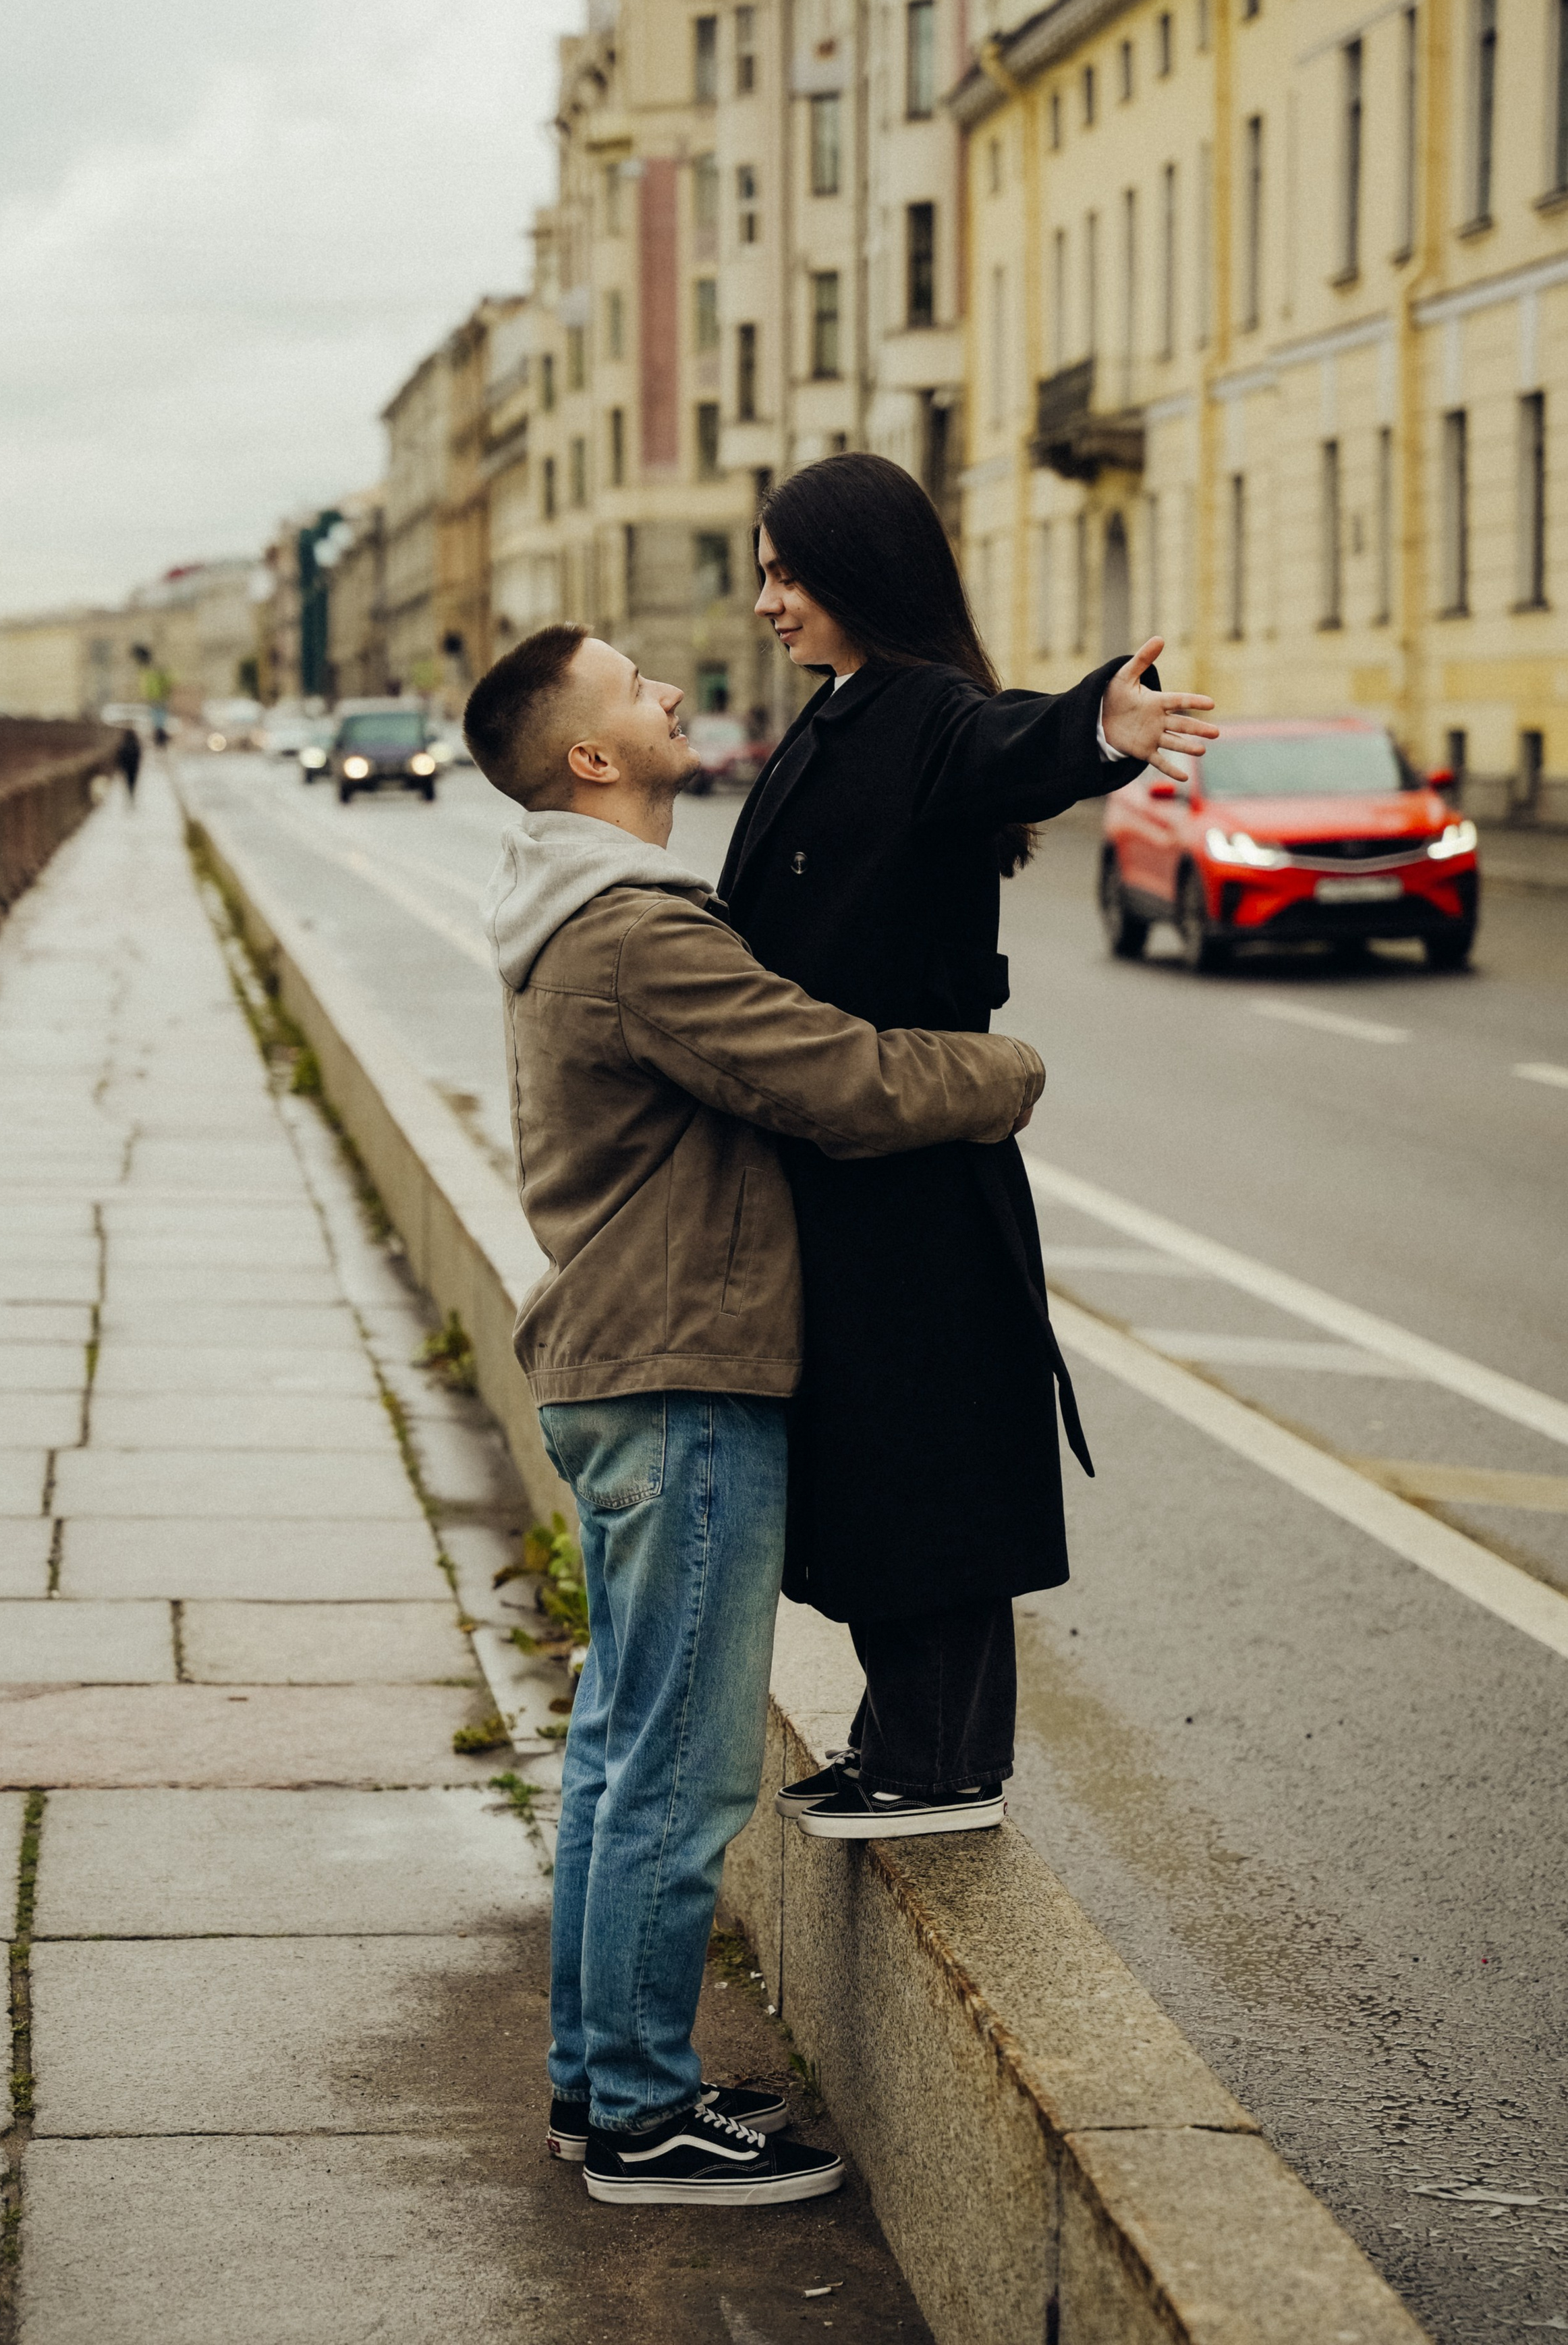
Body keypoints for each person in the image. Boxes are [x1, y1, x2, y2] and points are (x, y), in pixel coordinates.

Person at [463, 624, 1046, 2207]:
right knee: (681, 1765)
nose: (667, 688)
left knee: (612, 1749)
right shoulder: (633, 933)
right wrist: (999, 1071)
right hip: (680, 1375)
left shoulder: (575, 908)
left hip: (623, 1361)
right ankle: (645, 2114)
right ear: (588, 757)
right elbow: (835, 1078)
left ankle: (601, 2085)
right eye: (631, 683)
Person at [720, 453, 1216, 1843]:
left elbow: (1010, 743)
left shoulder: (924, 710)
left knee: (922, 1461)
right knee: (870, 1458)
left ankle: (941, 1764)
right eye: (762, 574)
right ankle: (896, 1736)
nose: (767, 602)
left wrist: (1100, 727)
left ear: (859, 571)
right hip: (848, 1151)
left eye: (786, 573)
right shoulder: (836, 712)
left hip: (915, 1171)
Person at [116, 725, 141, 802]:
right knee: (133, 781)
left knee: (128, 782)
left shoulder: (123, 745)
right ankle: (132, 794)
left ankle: (129, 795)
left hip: (127, 768)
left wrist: (121, 767)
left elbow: (120, 757)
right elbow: (139, 756)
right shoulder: (136, 745)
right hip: (134, 767)